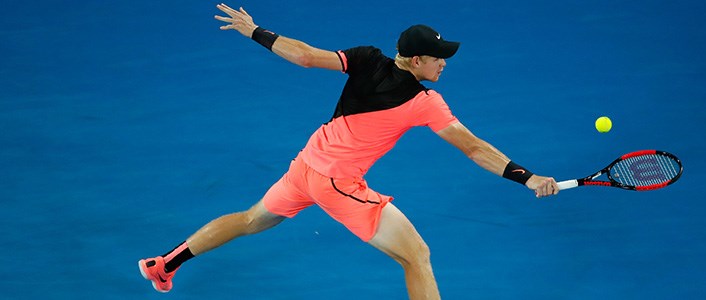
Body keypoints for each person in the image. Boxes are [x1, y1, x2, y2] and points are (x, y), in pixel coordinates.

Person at [138, 3, 559, 299]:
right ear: (415, 61)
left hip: (306, 164)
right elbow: (473, 147)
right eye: (437, 59)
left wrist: (255, 31)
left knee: (251, 220)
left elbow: (304, 56)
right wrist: (528, 177)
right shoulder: (424, 102)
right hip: (338, 183)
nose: (444, 64)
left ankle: (164, 263)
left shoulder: (365, 57)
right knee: (417, 256)